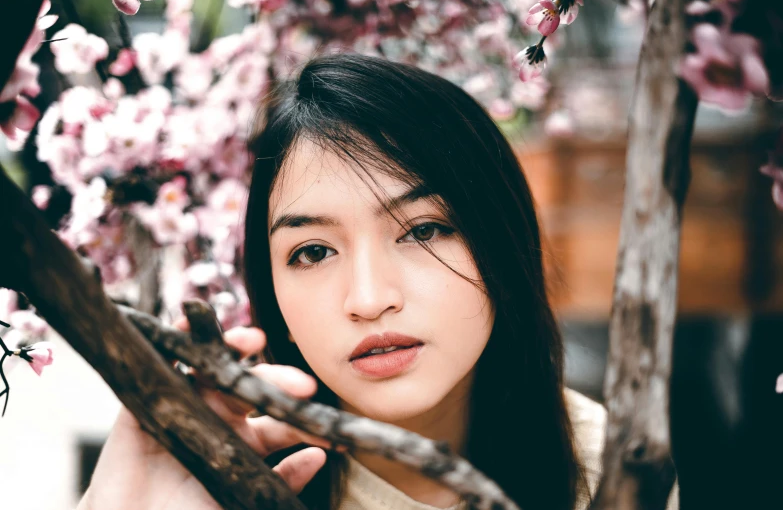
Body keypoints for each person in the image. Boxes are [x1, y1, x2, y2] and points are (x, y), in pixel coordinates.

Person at [76, 52, 660, 510]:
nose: (370, 299)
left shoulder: (608, 468)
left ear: (503, 243)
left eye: (425, 231)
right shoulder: (224, 481)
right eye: (311, 251)